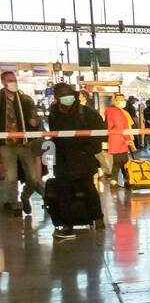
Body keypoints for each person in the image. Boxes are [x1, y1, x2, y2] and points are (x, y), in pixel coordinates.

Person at [46, 82, 105, 239]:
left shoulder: (87, 113)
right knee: (64, 192)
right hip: (63, 160)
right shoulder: (53, 114)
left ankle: (98, 218)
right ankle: (67, 225)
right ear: (57, 98)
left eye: (70, 96)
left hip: (83, 159)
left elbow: (101, 134)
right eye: (64, 97)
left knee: (88, 188)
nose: (68, 99)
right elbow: (54, 135)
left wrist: (88, 149)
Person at [0, 70, 45, 216]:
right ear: (3, 82)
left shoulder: (24, 98)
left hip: (24, 143)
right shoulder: (0, 98)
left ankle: (25, 197)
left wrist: (34, 121)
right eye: (9, 80)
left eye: (14, 79)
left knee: (33, 177)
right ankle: (13, 204)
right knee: (11, 176)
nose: (12, 82)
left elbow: (34, 116)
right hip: (6, 144)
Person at [104, 92, 135, 188]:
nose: (123, 102)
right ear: (116, 101)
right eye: (121, 100)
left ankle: (127, 180)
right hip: (119, 139)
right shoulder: (116, 112)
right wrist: (127, 139)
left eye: (123, 99)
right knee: (119, 161)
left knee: (123, 161)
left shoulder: (115, 111)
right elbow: (121, 127)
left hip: (118, 138)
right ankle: (115, 182)